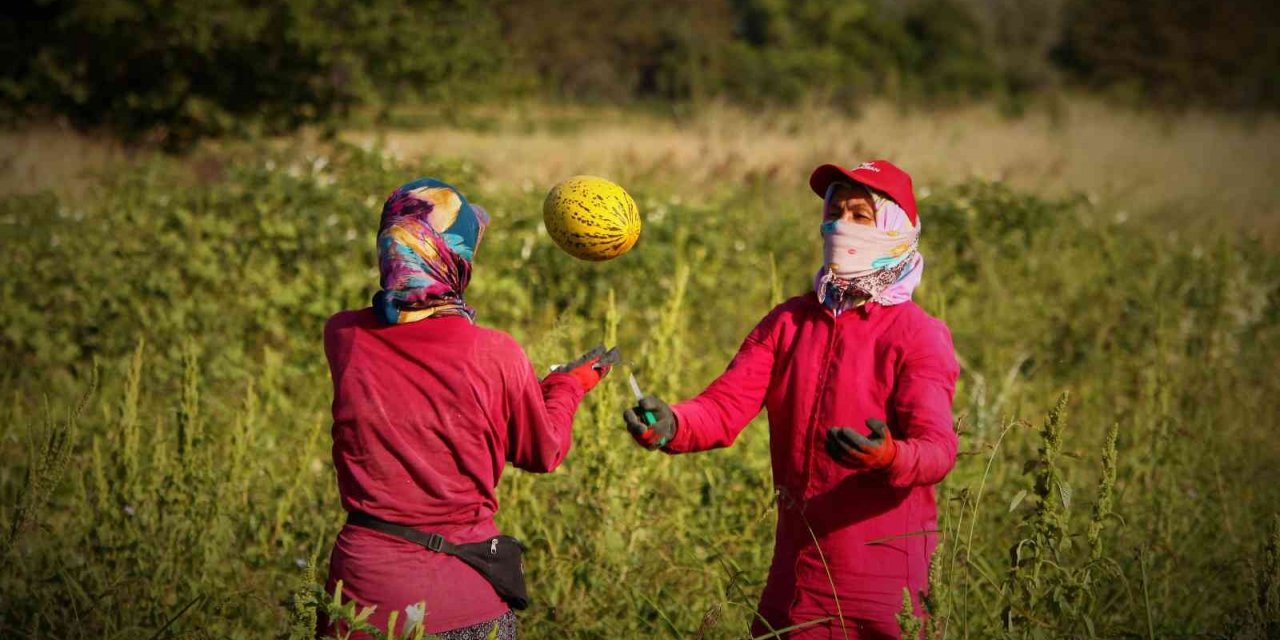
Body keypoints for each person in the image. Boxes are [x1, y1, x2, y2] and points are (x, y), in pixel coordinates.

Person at [624, 161, 959, 639]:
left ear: (896, 230)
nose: (842, 225)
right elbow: (723, 408)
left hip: (888, 585)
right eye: (835, 211)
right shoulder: (788, 323)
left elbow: (937, 450)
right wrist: (673, 424)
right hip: (799, 576)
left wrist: (889, 456)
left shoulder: (917, 335)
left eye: (861, 216)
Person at [320, 178, 617, 639]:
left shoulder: (343, 337)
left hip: (359, 598)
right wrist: (568, 385)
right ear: (452, 257)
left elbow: (421, 390)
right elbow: (543, 450)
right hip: (462, 600)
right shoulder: (494, 353)